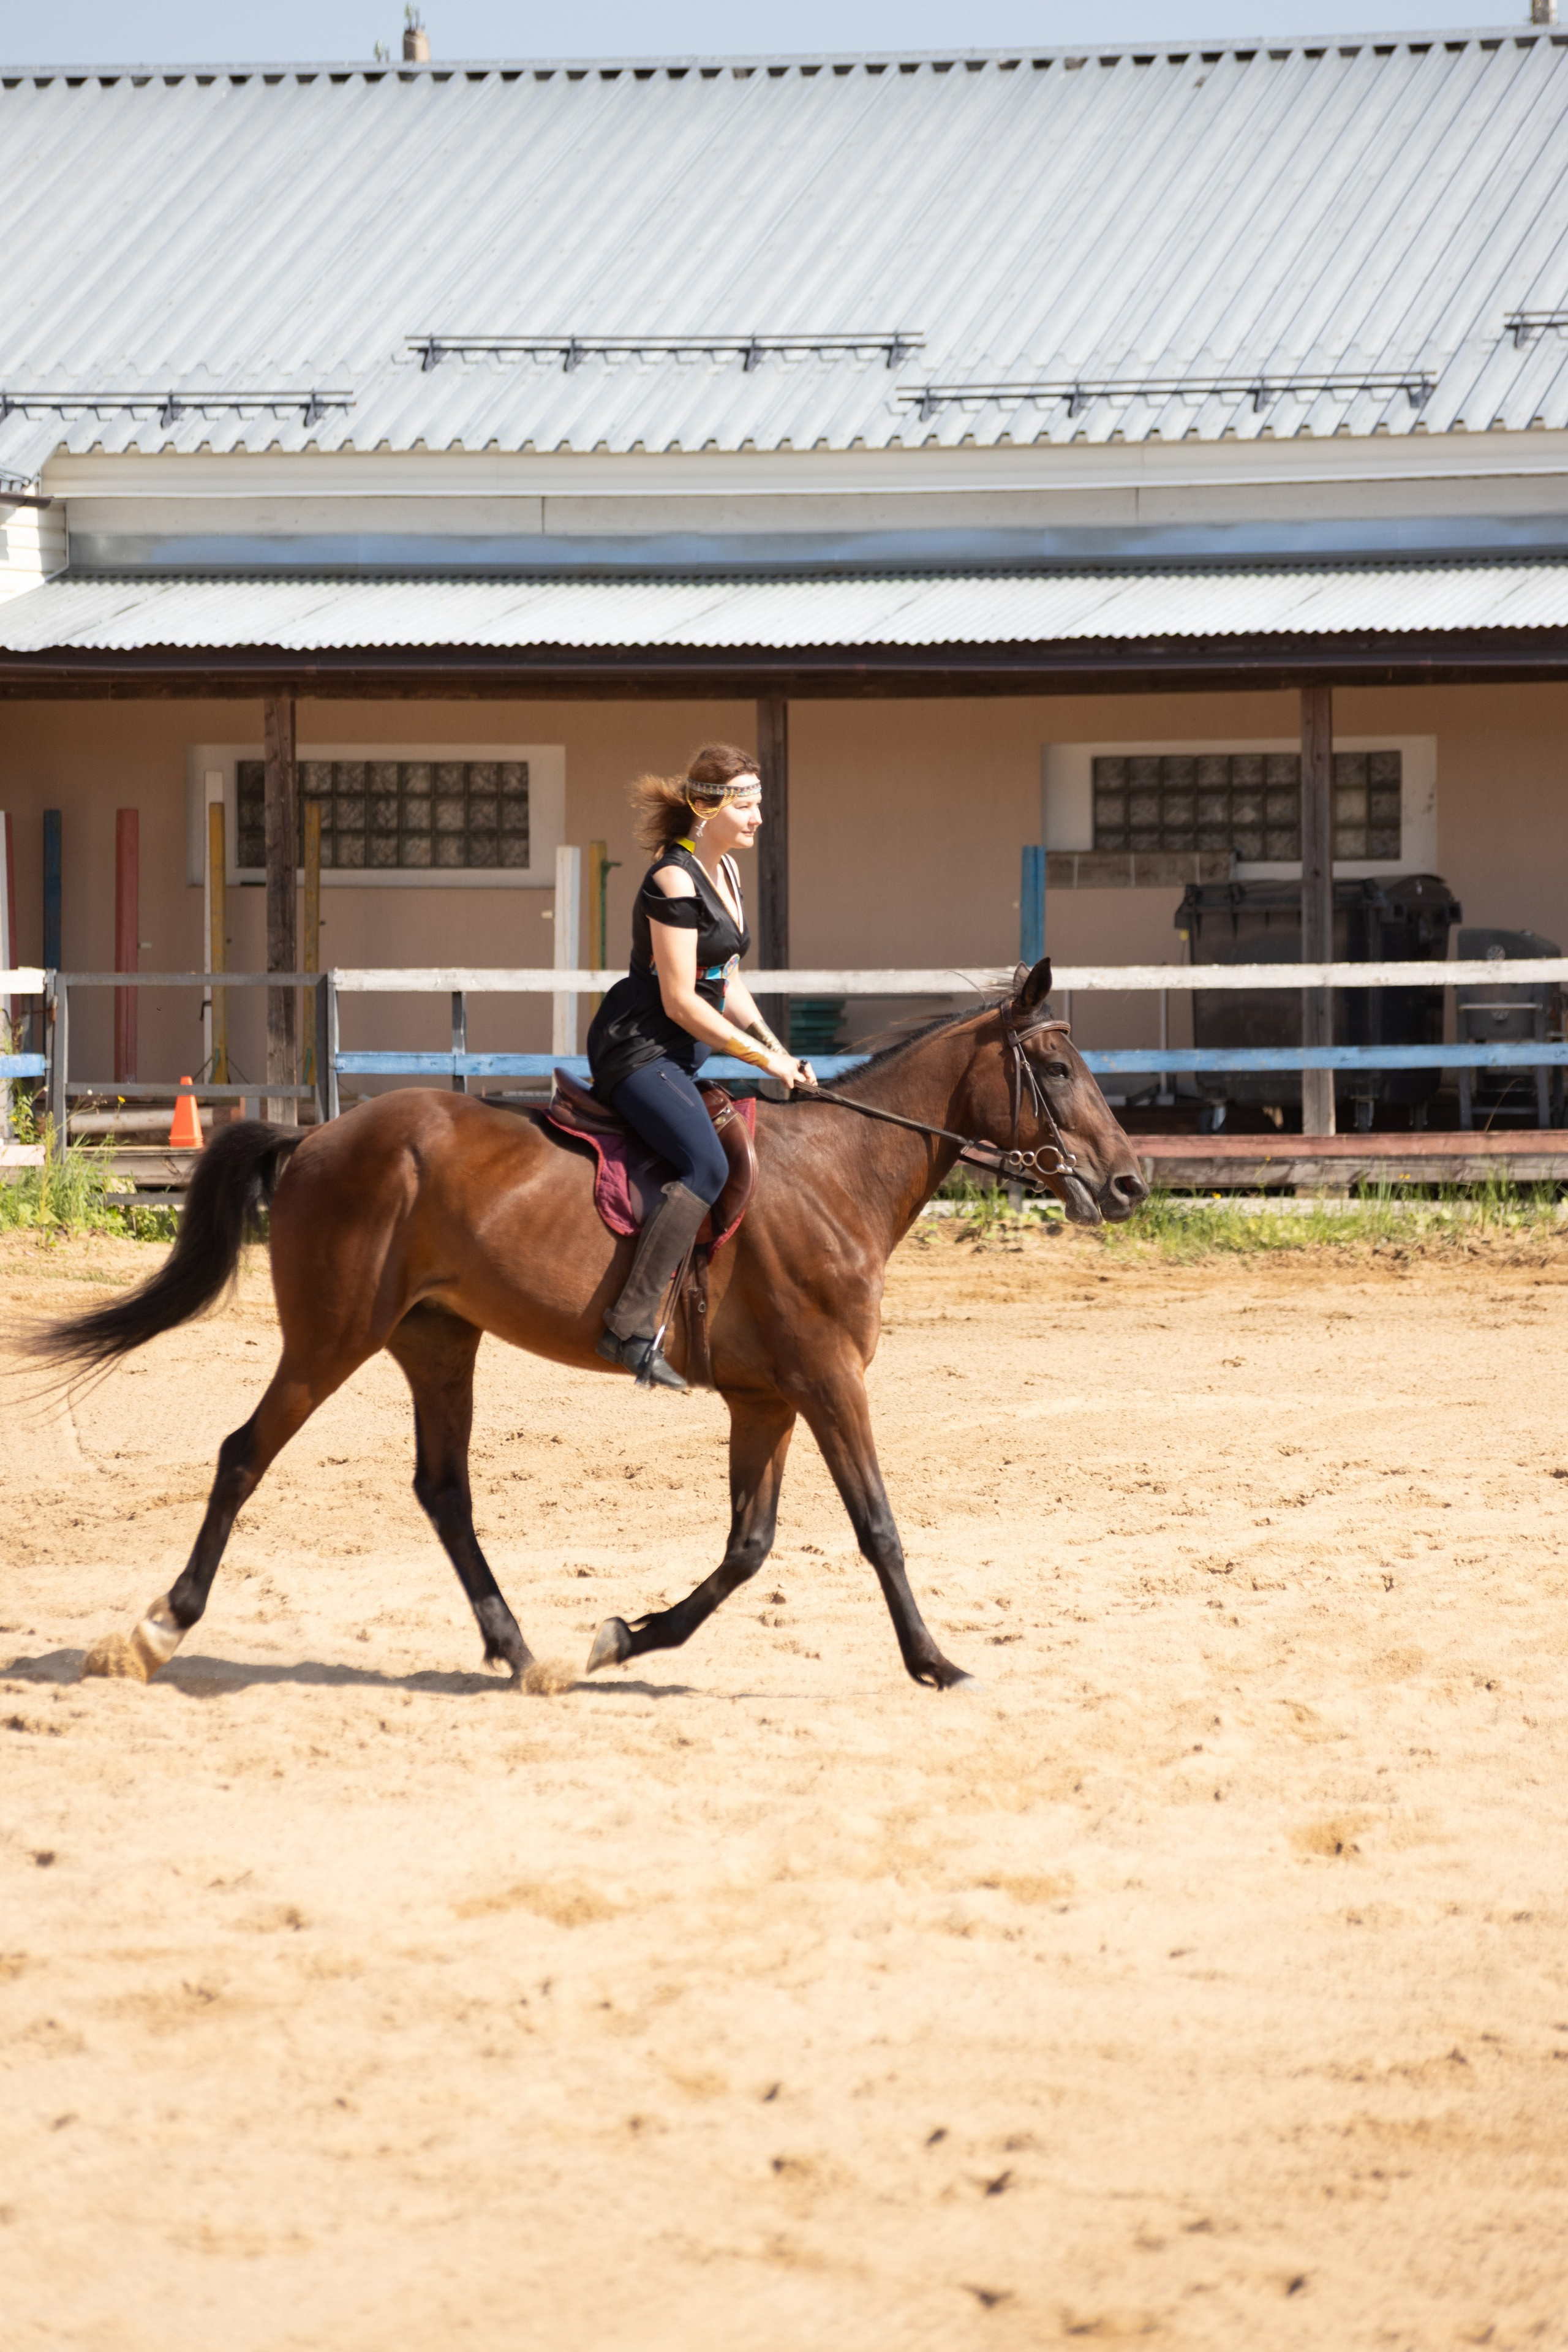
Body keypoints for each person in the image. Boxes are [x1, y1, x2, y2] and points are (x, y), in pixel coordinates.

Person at [586, 744, 816, 1389]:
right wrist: (762, 1058)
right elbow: (683, 1000)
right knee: (707, 1163)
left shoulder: (726, 876)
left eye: (758, 801)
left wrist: (777, 1048)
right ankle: (627, 1326)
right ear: (704, 806)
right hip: (638, 1050)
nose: (758, 816)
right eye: (745, 803)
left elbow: (727, 979)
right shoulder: (673, 879)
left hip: (681, 1052)